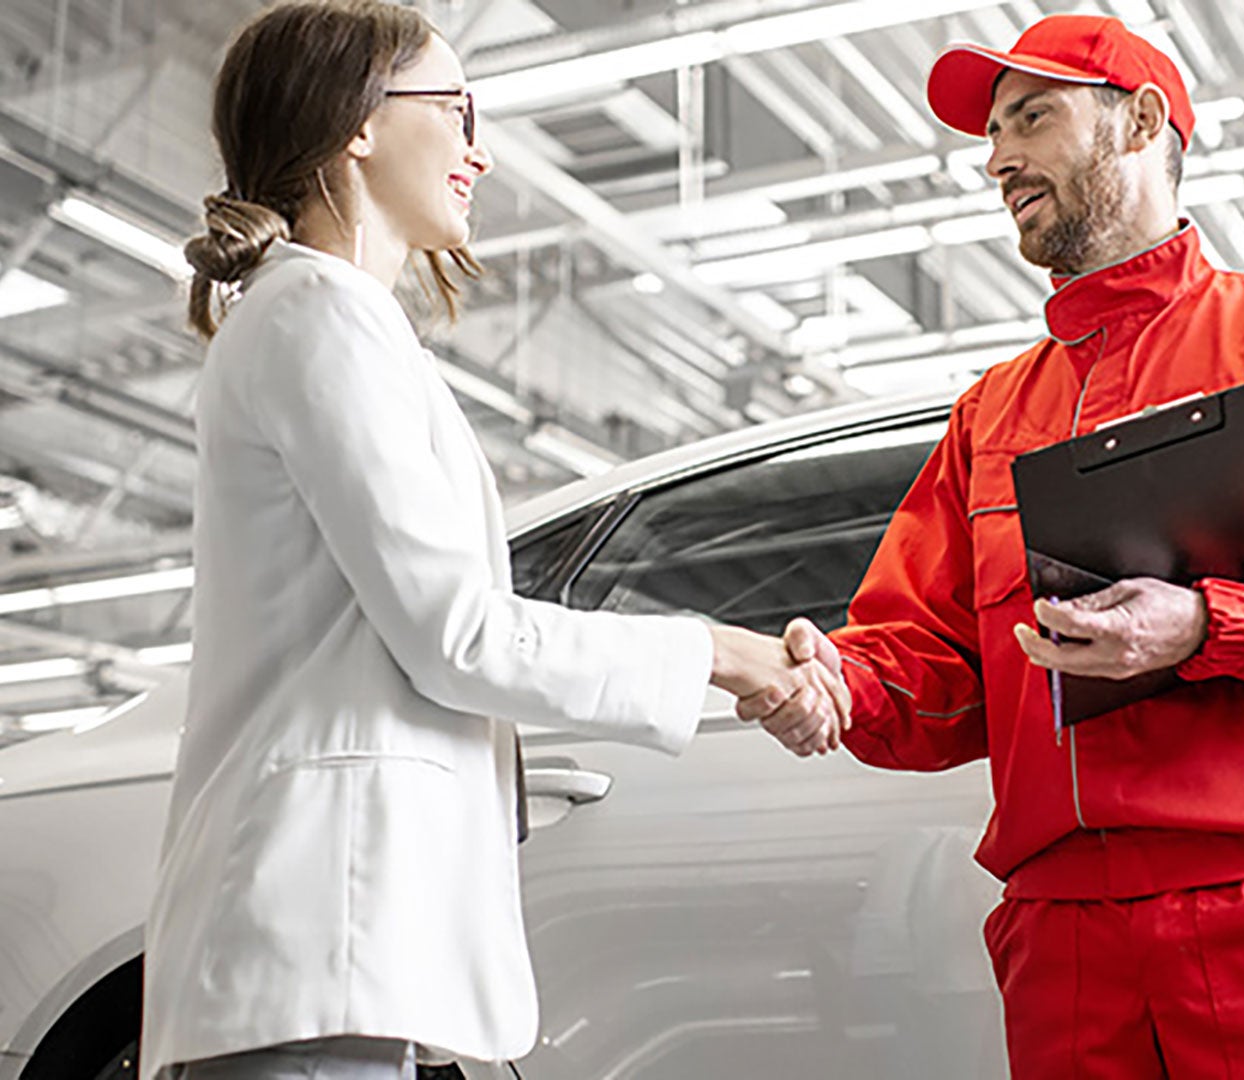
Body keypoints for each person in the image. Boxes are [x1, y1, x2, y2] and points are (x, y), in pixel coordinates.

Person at [759, 14, 1244, 1078]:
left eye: (1032, 118)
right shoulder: (988, 419)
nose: (998, 157)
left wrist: (1206, 623)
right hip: (1063, 939)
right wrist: (840, 687)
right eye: (992, 134)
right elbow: (935, 670)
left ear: (1142, 121)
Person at [142, 3, 842, 1078]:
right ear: (358, 124)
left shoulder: (324, 319)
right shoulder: (317, 317)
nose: (482, 148)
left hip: (334, 949)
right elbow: (459, 635)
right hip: (317, 937)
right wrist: (720, 651)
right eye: (456, 108)